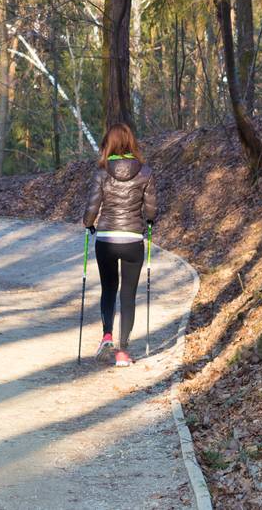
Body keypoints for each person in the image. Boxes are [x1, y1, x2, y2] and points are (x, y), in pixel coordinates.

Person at [82, 122, 157, 367]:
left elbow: (93, 207)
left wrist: (88, 223)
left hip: (106, 240)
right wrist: (148, 221)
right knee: (128, 295)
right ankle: (123, 351)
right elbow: (151, 210)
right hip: (133, 240)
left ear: (109, 144)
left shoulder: (102, 172)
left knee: (109, 290)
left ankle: (106, 336)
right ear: (131, 143)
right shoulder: (145, 172)